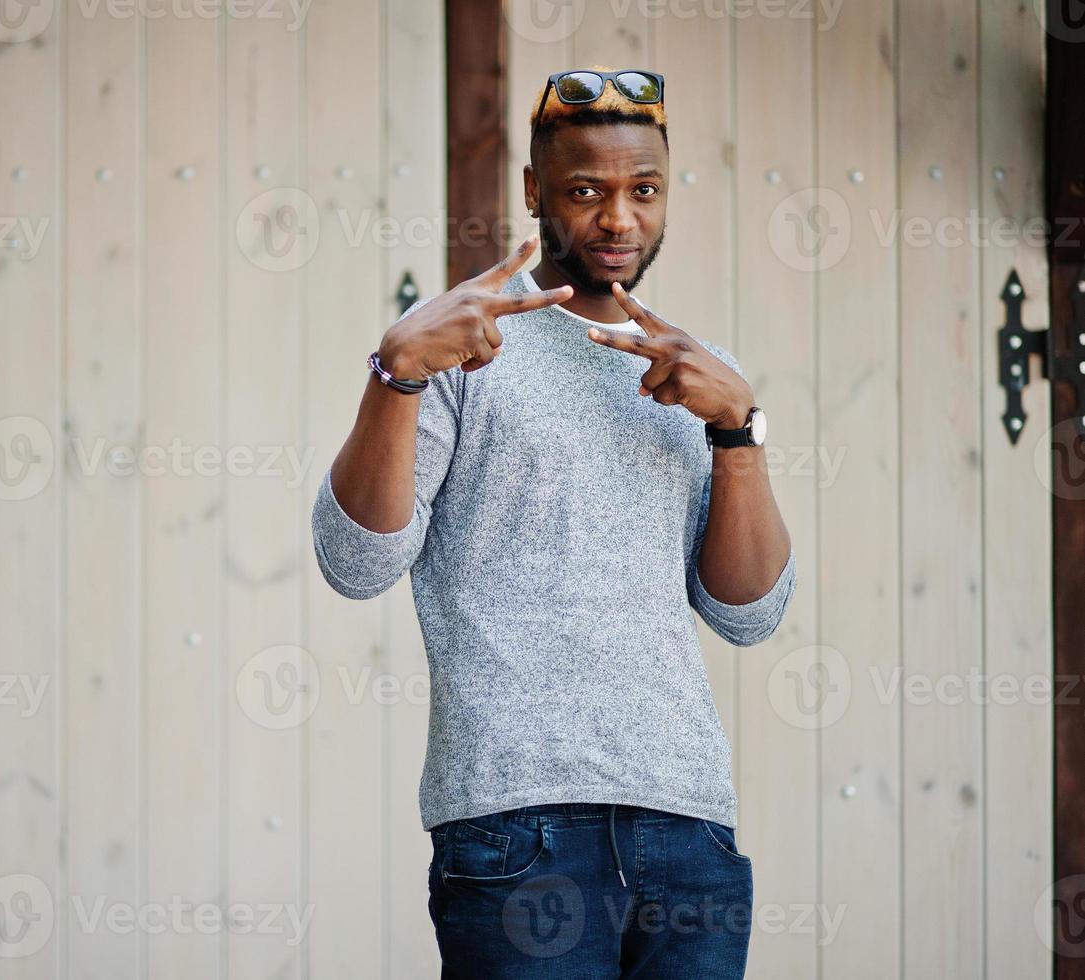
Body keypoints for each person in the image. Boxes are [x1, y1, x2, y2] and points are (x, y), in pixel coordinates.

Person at [310, 65, 797, 978]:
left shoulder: (697, 371)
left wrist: (737, 428)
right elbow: (354, 561)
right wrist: (396, 374)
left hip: (686, 823)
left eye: (642, 190)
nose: (619, 219)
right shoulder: (462, 348)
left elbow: (748, 613)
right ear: (535, 194)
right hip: (515, 822)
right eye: (587, 191)